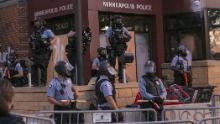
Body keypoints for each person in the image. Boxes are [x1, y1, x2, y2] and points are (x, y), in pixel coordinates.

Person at [105, 15, 131, 83]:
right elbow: (107, 38)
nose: (119, 21)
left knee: (121, 63)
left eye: (120, 20)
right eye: (117, 19)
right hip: (113, 48)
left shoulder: (123, 28)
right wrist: (109, 45)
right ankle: (111, 79)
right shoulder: (110, 29)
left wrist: (124, 37)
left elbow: (129, 36)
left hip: (121, 48)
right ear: (114, 21)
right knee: (112, 64)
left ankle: (122, 78)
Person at [31, 16, 55, 86]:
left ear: (41, 22)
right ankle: (34, 83)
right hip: (36, 51)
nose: (35, 23)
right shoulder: (34, 31)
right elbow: (31, 40)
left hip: (44, 51)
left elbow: (54, 38)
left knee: (43, 66)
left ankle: (43, 83)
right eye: (35, 22)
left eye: (37, 21)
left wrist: (49, 43)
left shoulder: (47, 30)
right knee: (33, 66)